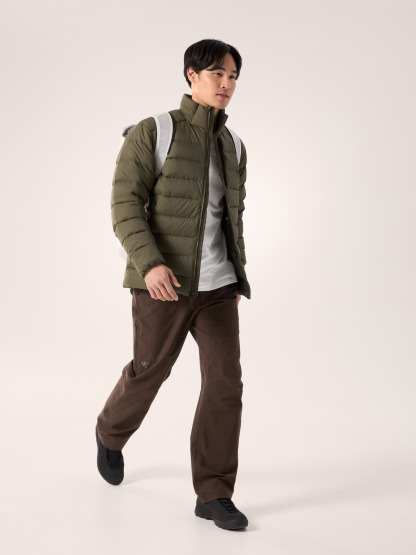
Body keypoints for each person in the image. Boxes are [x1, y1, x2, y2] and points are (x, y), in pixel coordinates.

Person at [95, 38, 251, 531]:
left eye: (233, 76)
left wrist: (236, 271)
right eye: (217, 74)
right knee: (149, 372)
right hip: (164, 283)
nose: (226, 84)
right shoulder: (155, 131)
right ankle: (110, 432)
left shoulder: (234, 145)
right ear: (192, 75)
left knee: (225, 384)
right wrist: (150, 265)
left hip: (218, 288)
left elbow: (232, 216)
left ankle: (214, 493)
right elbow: (125, 206)